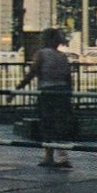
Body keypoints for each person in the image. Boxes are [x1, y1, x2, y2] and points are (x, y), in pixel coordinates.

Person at [18, 27, 75, 167]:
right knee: (59, 124)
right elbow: (68, 78)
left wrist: (17, 89)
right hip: (62, 92)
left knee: (47, 124)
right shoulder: (63, 56)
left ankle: (49, 156)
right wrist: (70, 94)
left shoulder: (41, 54)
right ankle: (62, 156)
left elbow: (31, 73)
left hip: (47, 92)